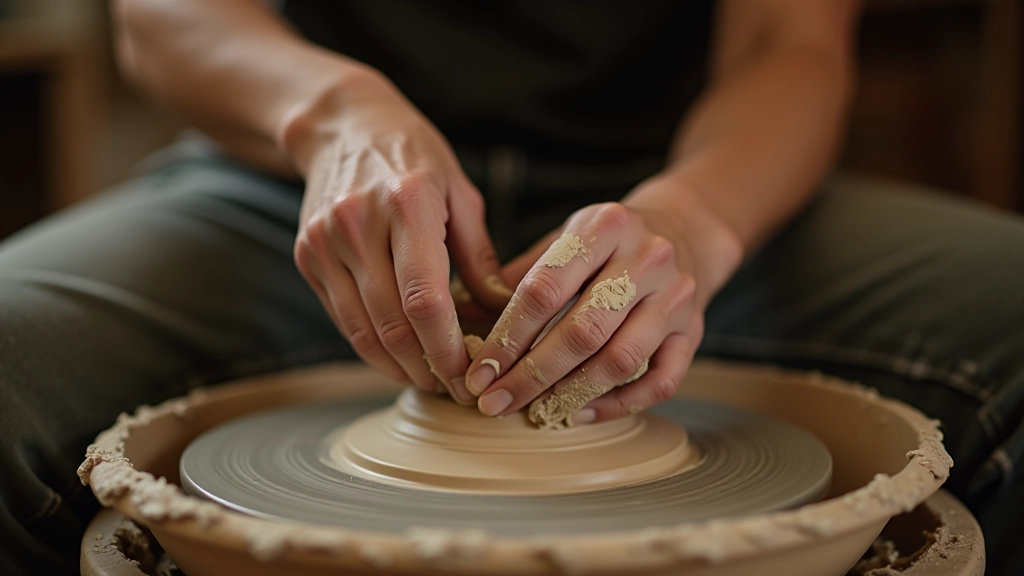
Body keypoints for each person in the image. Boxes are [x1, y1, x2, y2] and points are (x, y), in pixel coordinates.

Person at [1, 0, 1021, 574]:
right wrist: (337, 114)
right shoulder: (324, 142)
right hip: (304, 184)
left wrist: (693, 225)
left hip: (681, 186)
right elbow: (163, 18)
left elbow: (790, 46)